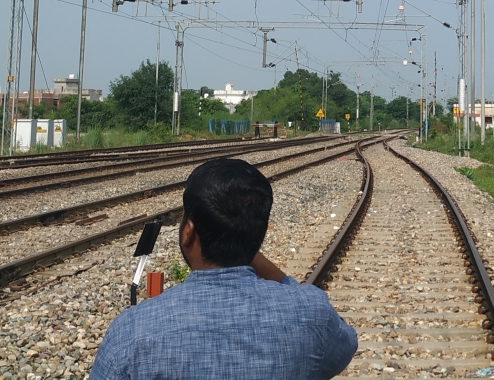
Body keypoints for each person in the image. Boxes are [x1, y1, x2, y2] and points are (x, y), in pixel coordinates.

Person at [89, 158, 357, 379]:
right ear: (260, 233)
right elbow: (344, 348)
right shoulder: (311, 313)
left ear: (188, 233)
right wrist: (261, 261)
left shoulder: (132, 331)